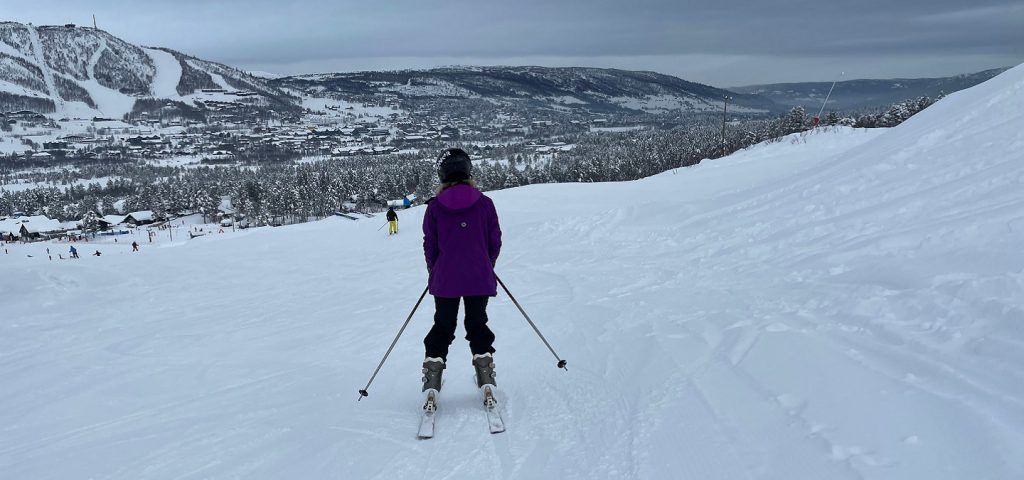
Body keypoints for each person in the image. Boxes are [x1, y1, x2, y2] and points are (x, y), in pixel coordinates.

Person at [420, 148, 502, 401]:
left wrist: (434, 269)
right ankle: (485, 374)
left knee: (443, 325)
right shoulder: (485, 204)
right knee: (477, 323)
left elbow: (430, 245)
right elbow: (494, 241)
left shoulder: (434, 208)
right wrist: (487, 263)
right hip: (479, 276)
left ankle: (433, 377)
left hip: (446, 279)